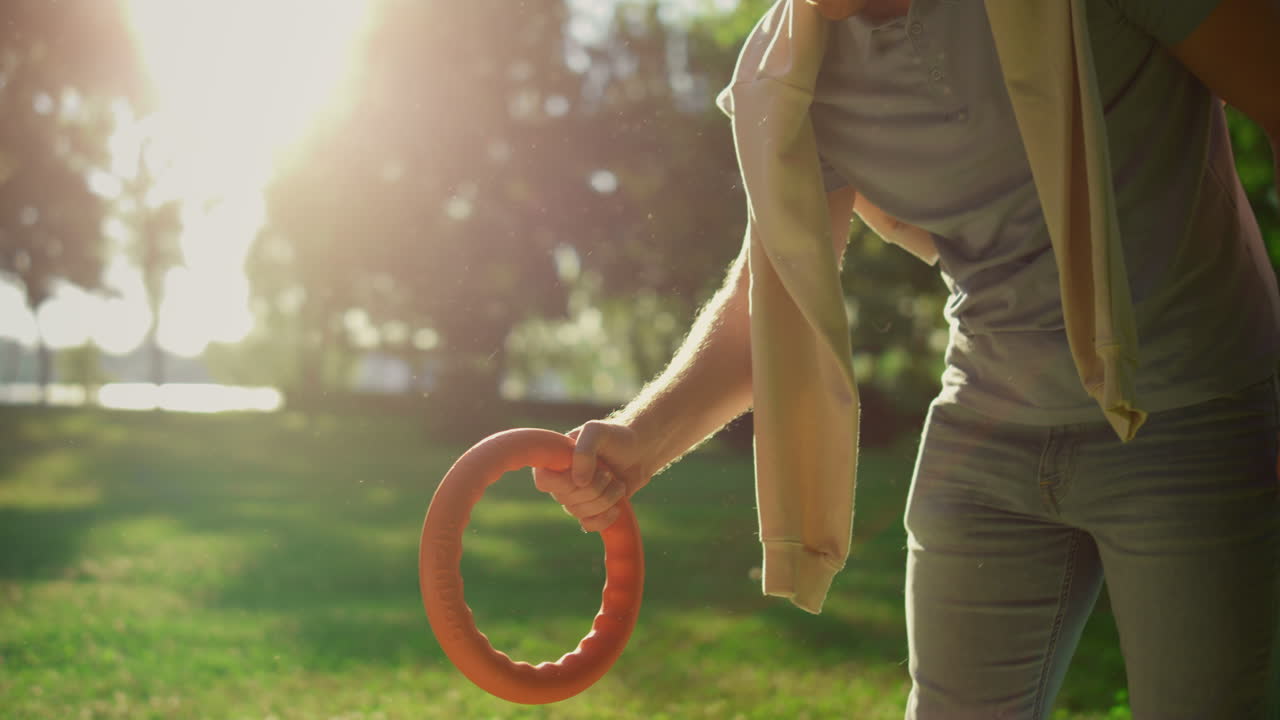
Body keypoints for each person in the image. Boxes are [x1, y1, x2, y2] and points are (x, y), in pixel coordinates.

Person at [534, 0, 1280, 716]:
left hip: (1193, 419)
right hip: (987, 440)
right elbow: (775, 299)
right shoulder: (787, 71)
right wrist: (641, 438)